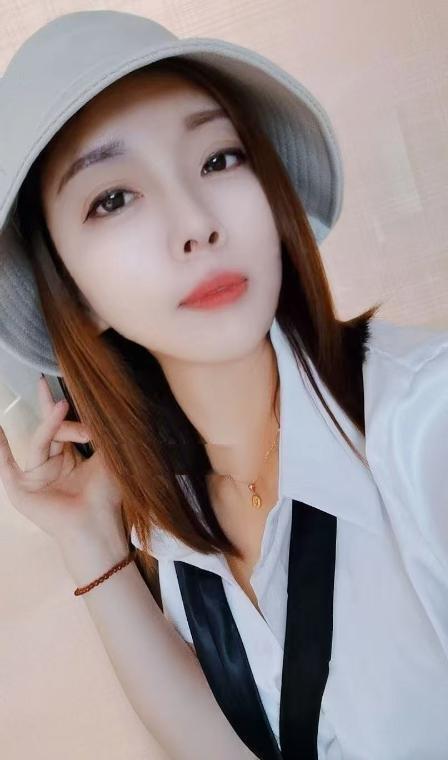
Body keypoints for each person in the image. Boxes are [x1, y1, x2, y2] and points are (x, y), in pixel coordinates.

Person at [0, 10, 447, 760]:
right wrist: (87, 538)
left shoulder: (426, 423)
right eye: (113, 198)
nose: (196, 224)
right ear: (72, 294)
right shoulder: (168, 527)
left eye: (218, 159)